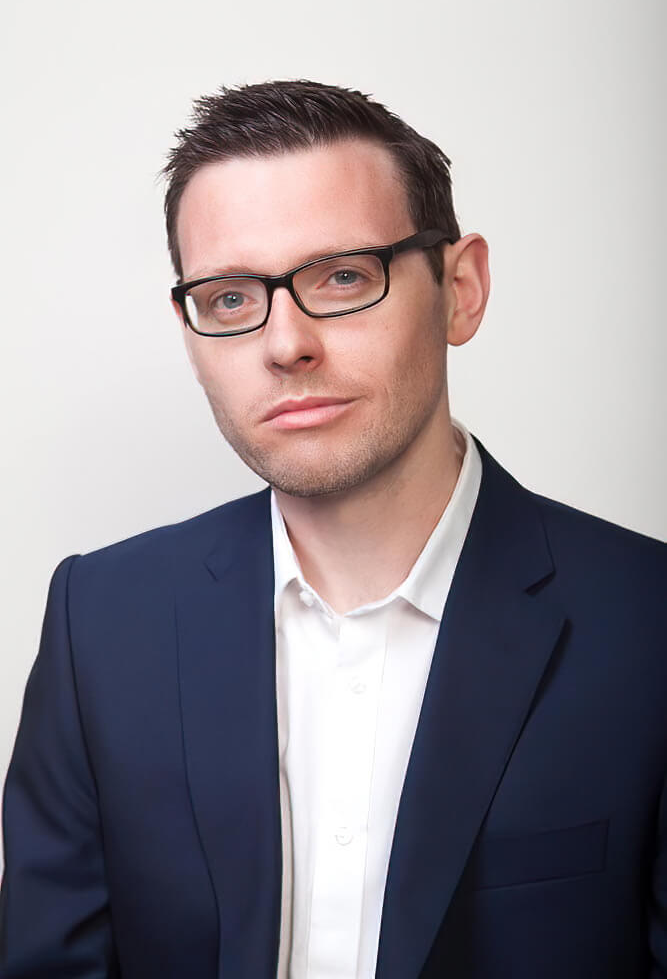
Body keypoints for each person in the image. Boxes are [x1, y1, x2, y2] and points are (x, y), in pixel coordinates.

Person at [0, 79, 665, 979]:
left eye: (342, 277)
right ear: (190, 330)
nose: (286, 345)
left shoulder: (647, 622)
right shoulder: (100, 621)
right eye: (230, 298)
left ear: (460, 290)